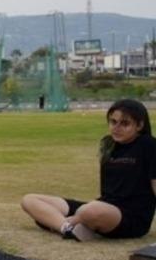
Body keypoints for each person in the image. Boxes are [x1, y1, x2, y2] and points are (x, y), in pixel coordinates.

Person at [21, 99, 156, 241]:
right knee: (29, 200)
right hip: (102, 206)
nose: (116, 128)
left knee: (90, 210)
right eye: (113, 122)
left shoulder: (149, 145)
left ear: (140, 125)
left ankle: (61, 222)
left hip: (130, 216)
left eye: (125, 123)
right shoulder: (108, 144)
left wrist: (80, 214)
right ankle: (66, 228)